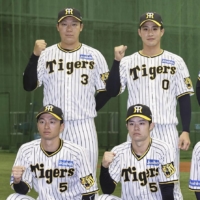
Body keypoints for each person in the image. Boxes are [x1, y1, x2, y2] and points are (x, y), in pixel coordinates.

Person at [105, 12, 194, 200]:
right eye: (145, 28)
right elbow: (112, 90)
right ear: (139, 32)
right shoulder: (128, 61)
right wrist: (116, 61)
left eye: (154, 28)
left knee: (171, 184)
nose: (150, 32)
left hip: (167, 129)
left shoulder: (176, 61)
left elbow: (184, 97)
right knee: (138, 179)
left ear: (162, 31)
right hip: (138, 128)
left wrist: (185, 130)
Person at [22, 7, 111, 183]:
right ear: (57, 27)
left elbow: (106, 90)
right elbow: (28, 85)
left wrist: (90, 106)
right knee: (54, 179)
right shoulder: (46, 55)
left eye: (74, 24)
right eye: (64, 24)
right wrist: (34, 56)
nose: (69, 28)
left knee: (86, 180)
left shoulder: (94, 55)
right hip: (53, 127)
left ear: (81, 27)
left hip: (83, 126)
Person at [7, 104, 98, 200]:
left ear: (62, 126)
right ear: (37, 126)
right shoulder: (26, 150)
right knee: (14, 198)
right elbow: (23, 190)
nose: (46, 126)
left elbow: (90, 191)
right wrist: (17, 180)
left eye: (52, 122)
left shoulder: (78, 152)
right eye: (42, 122)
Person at [98, 104, 178, 200]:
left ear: (151, 126)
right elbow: (108, 190)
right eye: (131, 123)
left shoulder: (164, 149)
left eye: (141, 123)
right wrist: (104, 167)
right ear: (127, 126)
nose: (136, 128)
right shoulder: (118, 152)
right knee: (102, 198)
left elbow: (167, 191)